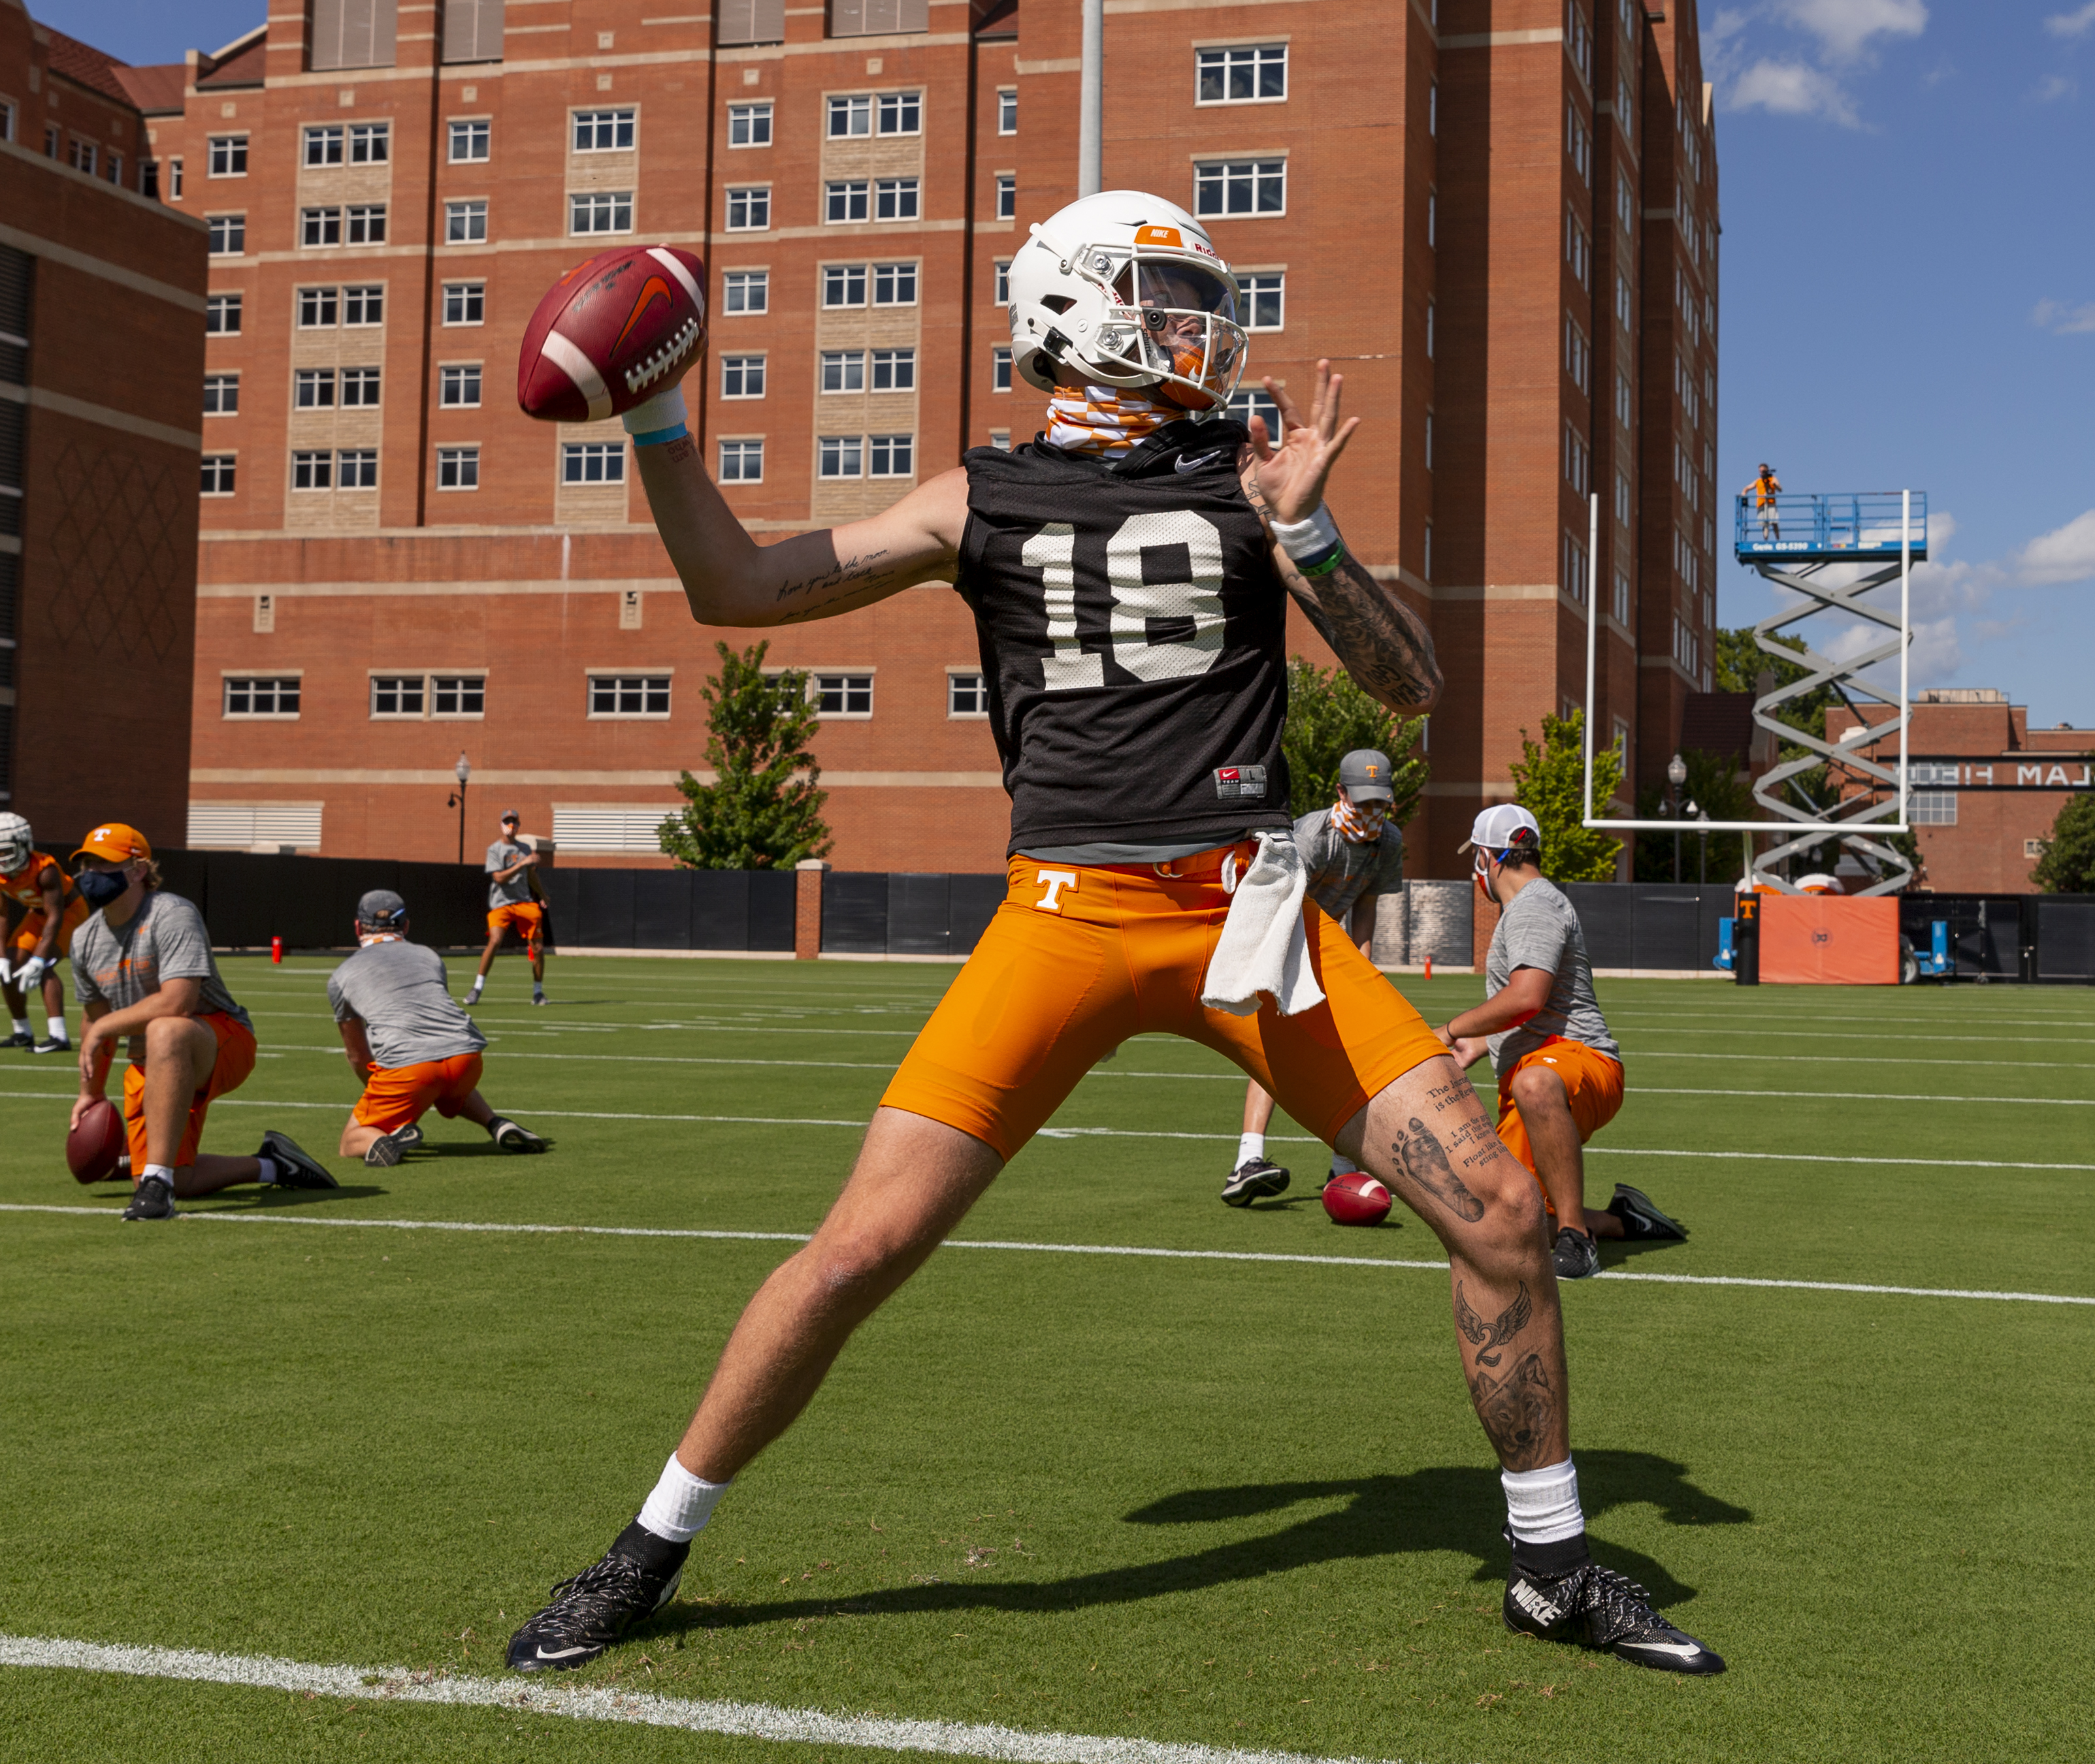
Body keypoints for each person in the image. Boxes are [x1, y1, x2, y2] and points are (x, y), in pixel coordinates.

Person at [500, 191, 1722, 1680]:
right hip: (1063, 913)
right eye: (1173, 294)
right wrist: (659, 423)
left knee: (1500, 1208)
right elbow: (735, 587)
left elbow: (1407, 687)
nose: (1207, 325)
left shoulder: (1245, 474)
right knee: (856, 1248)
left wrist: (1311, 535)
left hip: (1244, 911)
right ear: (1079, 309)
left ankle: (1549, 1562)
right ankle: (645, 1547)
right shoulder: (982, 494)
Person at [1434, 805, 1688, 1281]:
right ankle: (1622, 1219)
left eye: (1476, 858)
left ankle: (1577, 1238)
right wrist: (1483, 1043)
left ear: (1490, 857)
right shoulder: (1529, 905)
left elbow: (1528, 996)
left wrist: (1452, 1031)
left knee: (1533, 1083)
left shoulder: (1532, 903)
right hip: (1541, 1068)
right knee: (1501, 1215)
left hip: (1574, 1062)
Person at [65, 822, 335, 1221]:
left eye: (104, 865)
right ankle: (273, 1164)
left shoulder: (171, 914)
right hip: (151, 1063)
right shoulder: (84, 938)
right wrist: (91, 1092)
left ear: (139, 870)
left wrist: (105, 1028)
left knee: (166, 1028)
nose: (91, 875)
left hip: (219, 1039)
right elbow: (95, 1022)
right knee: (181, 1179)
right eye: (86, 864)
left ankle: (158, 1185)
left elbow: (178, 1001)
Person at [1222, 746, 1410, 1206]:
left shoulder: (1389, 841)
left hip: (1331, 945)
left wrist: (1362, 968)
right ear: (1341, 792)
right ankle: (1248, 1160)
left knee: (1354, 1048)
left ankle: (1343, 1167)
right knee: (1277, 1048)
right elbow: (1283, 905)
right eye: (1362, 801)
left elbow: (1366, 904)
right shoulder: (1309, 838)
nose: (1371, 812)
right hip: (1282, 935)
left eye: (1379, 803)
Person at [329, 889, 547, 1168]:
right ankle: (496, 1123)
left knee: (350, 1142)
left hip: (410, 1071)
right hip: (467, 1060)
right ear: (406, 926)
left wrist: (384, 1092)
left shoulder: (341, 976)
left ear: (358, 927)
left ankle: (386, 1140)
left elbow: (358, 1054)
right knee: (443, 1078)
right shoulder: (428, 956)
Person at [0, 812, 84, 1052]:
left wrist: (38, 957)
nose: (2, 858)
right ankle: (22, 1032)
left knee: (44, 966)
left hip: (68, 913)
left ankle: (59, 1036)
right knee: (9, 969)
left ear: (24, 845)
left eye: (6, 850)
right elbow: (2, 915)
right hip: (37, 915)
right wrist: (2, 956)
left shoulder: (45, 870)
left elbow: (55, 916)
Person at [469, 811, 547, 1007]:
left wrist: (543, 895)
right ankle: (477, 988)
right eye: (507, 822)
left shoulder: (525, 848)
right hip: (501, 903)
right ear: (501, 825)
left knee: (537, 947)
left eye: (514, 822)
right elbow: (499, 878)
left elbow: (531, 876)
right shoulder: (494, 850)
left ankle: (538, 993)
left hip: (524, 902)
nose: (510, 825)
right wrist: (523, 863)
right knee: (495, 941)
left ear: (519, 825)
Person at [1747, 462, 1781, 540]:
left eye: (1763, 471)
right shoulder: (1758, 481)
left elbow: (1780, 489)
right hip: (1761, 505)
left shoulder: (1773, 479)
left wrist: (1775, 485)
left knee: (1774, 523)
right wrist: (1744, 492)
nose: (1761, 473)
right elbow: (1748, 488)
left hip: (1771, 504)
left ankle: (1778, 540)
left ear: (1767, 471)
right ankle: (1766, 541)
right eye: (1760, 471)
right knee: (1764, 524)